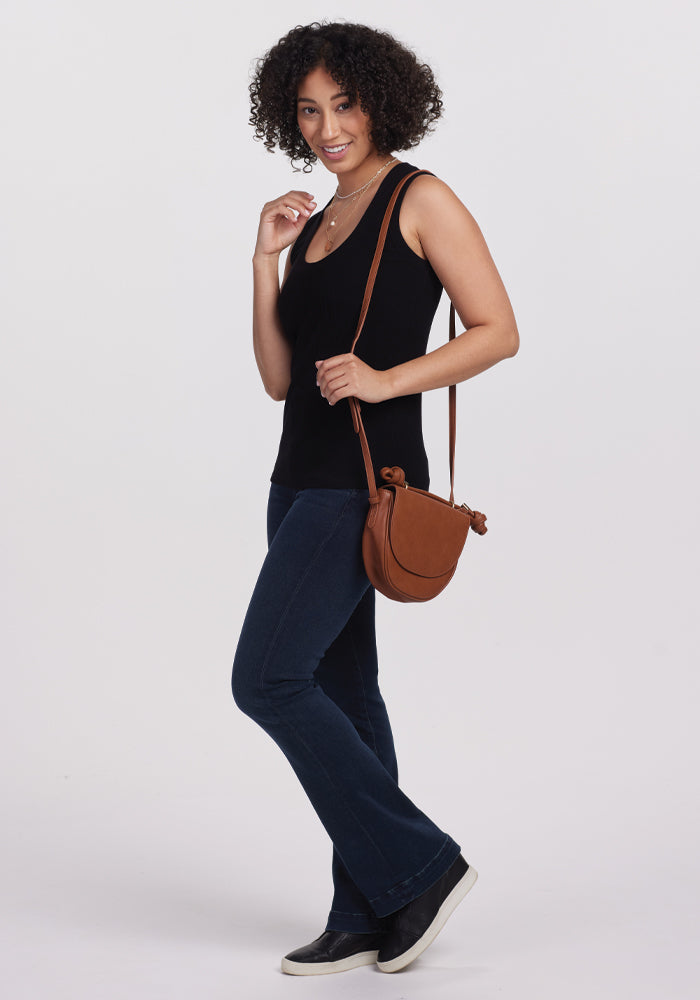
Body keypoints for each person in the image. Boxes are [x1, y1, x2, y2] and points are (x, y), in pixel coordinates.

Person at [232, 21, 519, 976]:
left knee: (266, 680)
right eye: (308, 111)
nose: (326, 128)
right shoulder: (316, 221)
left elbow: (498, 329)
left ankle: (420, 867)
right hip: (297, 481)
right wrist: (264, 259)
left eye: (343, 105)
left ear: (379, 100)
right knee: (347, 696)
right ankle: (365, 910)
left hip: (366, 482)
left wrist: (390, 380)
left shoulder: (419, 197)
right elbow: (280, 380)